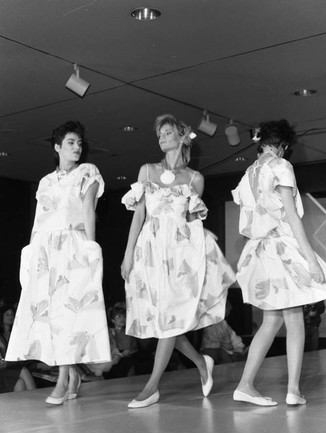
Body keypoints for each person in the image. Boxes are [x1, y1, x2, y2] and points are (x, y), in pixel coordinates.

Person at [121, 114, 235, 408]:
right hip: (150, 251)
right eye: (159, 133)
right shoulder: (147, 171)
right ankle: (201, 363)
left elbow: (191, 222)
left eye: (168, 132)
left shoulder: (195, 179)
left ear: (182, 136)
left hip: (179, 254)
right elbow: (139, 215)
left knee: (169, 320)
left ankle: (152, 386)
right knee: (164, 322)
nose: (162, 137)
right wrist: (127, 255)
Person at [6, 120, 111, 404]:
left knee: (69, 314)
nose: (77, 148)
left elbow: (88, 210)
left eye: (79, 143)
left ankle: (65, 380)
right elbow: (39, 220)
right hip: (46, 250)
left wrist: (91, 247)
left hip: (73, 248)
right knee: (53, 316)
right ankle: (72, 375)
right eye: (70, 143)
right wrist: (30, 252)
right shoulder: (45, 182)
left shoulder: (87, 173)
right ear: (57, 147)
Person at [232, 119, 326, 406]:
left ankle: (245, 384)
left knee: (271, 320)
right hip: (281, 247)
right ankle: (293, 390)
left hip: (260, 251)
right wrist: (311, 259)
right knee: (294, 318)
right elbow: (292, 216)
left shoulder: (248, 173)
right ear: (283, 146)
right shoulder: (281, 166)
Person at [0, 306, 36, 392]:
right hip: (3, 368)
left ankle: (28, 404)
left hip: (12, 366)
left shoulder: (16, 334)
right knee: (23, 370)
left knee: (20, 383)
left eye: (12, 314)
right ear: (1, 317)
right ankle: (36, 401)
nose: (10, 317)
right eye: (7, 314)